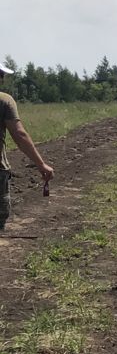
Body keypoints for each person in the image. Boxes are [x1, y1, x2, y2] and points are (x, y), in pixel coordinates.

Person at [0, 63, 55, 232]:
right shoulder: (4, 101)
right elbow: (19, 135)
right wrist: (41, 164)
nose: (2, 80)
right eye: (1, 75)